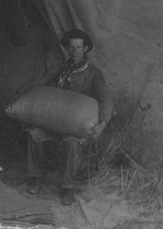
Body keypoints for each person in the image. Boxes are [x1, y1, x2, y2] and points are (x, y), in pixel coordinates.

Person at [19, 29, 113, 205]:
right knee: (34, 134)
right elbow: (41, 80)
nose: (74, 51)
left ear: (85, 49)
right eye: (71, 47)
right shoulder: (62, 68)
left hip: (76, 127)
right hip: (54, 122)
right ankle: (36, 177)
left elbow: (106, 99)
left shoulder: (94, 73)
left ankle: (67, 188)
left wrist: (103, 123)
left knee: (71, 143)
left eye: (78, 47)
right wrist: (22, 93)